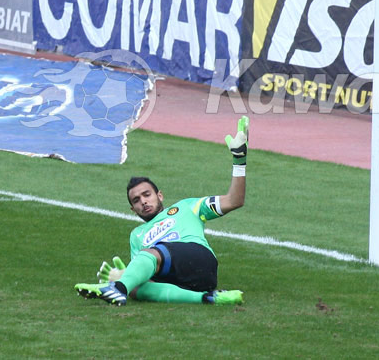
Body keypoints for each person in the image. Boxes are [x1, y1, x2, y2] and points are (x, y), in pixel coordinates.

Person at [73, 116, 250, 306]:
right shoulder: (136, 235)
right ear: (133, 209)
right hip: (182, 281)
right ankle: (210, 298)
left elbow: (234, 200)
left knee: (152, 256)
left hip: (200, 260)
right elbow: (147, 278)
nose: (143, 201)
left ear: (160, 195)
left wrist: (239, 159)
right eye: (136, 200)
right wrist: (126, 276)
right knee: (136, 289)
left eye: (147, 194)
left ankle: (117, 288)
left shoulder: (187, 206)